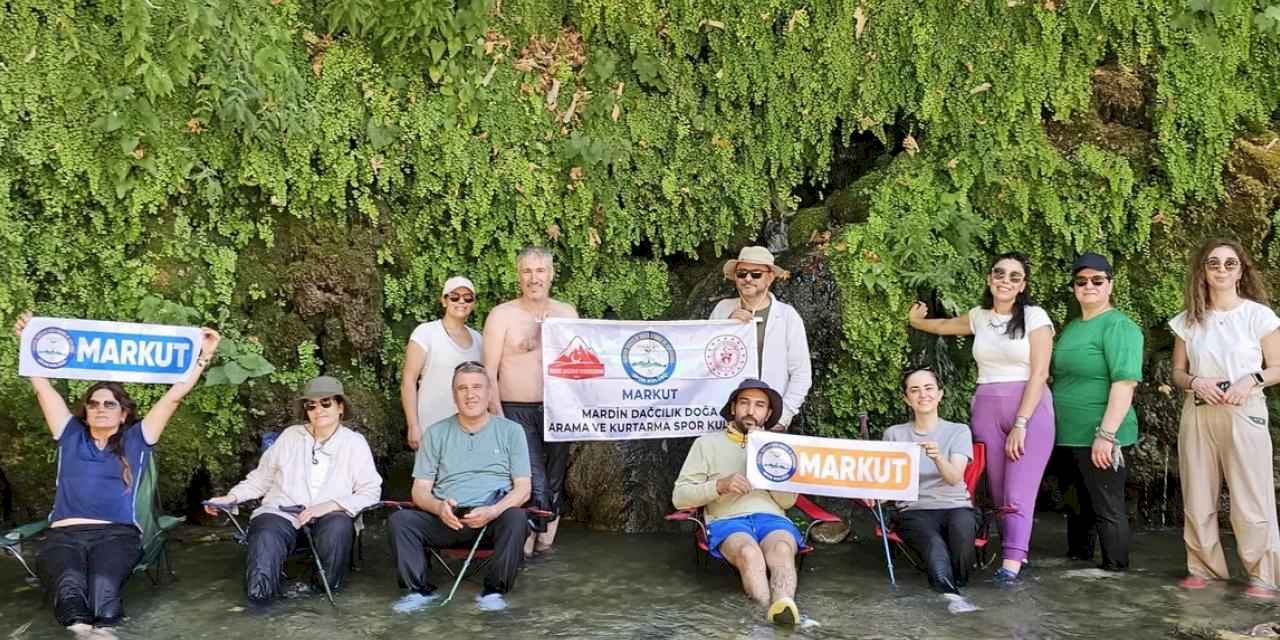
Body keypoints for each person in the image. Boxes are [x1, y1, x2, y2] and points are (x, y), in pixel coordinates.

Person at [14, 312, 220, 638]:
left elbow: (174, 397)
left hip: (116, 535)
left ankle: (104, 631)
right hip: (64, 535)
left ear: (124, 414)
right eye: (94, 404)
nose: (100, 409)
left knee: (103, 590)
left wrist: (203, 357)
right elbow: (42, 388)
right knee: (69, 589)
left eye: (109, 404)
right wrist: (29, 339)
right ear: (86, 412)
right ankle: (83, 632)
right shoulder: (70, 434)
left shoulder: (137, 439)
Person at [907, 252, 1054, 582]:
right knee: (998, 492)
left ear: (1023, 285)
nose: (1006, 281)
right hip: (987, 406)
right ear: (990, 279)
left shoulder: (1035, 317)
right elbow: (944, 326)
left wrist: (1021, 423)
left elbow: (1040, 373)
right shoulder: (979, 316)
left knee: (1018, 492)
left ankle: (1011, 565)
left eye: (1015, 276)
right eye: (1000, 274)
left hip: (1029, 410)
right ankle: (1016, 553)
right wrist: (917, 322)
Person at [204, 376, 382, 605]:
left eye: (326, 403)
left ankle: (320, 599)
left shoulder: (355, 443)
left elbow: (370, 492)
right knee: (265, 532)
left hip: (331, 514)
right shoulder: (290, 436)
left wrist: (330, 506)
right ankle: (259, 604)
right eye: (311, 405)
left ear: (340, 407)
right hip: (283, 510)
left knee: (338, 528)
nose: (318, 410)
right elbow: (261, 479)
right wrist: (231, 497)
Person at [1169, 239, 1280, 599]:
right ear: (1202, 271)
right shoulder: (1188, 320)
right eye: (1213, 263)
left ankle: (1262, 575)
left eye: (1229, 263)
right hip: (1199, 411)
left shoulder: (1258, 316)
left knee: (1252, 497)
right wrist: (1195, 382)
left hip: (1244, 411)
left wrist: (1252, 379)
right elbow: (1177, 373)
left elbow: (1277, 366)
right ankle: (1204, 569)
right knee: (1198, 495)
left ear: (1241, 270)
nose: (1221, 269)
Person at [388, 361, 532, 613]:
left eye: (477, 387)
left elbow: (523, 488)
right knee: (401, 521)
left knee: (517, 518)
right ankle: (417, 592)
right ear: (454, 395)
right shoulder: (435, 433)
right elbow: (419, 490)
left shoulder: (512, 431)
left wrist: (493, 511)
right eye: (462, 388)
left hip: (492, 519)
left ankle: (493, 592)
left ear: (489, 392)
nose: (470, 394)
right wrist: (438, 507)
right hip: (448, 519)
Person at [673, 379, 804, 625]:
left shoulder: (779, 447)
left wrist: (769, 466)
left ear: (768, 414)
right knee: (749, 553)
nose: (750, 411)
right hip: (727, 520)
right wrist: (719, 486)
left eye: (759, 405)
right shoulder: (706, 444)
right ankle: (767, 617)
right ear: (733, 408)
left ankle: (784, 606)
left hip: (772, 519)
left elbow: (787, 502)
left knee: (782, 550)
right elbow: (680, 498)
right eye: (744, 403)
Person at [1050, 253, 1142, 571]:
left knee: (1107, 508)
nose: (1088, 286)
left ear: (1110, 285)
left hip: (1100, 433)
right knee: (1077, 508)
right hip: (1067, 435)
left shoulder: (1120, 326)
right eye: (1081, 281)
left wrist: (1106, 434)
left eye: (1097, 280)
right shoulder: (1073, 327)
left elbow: (1125, 383)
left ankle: (1116, 577)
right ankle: (1079, 577)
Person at [482, 246, 577, 554]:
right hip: (516, 410)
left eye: (540, 271)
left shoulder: (567, 313)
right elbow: (489, 371)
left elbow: (581, 367)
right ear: (518, 275)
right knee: (532, 479)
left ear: (551, 274)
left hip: (558, 411)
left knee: (554, 479)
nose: (534, 278)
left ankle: (544, 551)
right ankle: (522, 549)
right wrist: (496, 415)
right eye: (527, 271)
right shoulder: (502, 315)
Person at [883, 367, 978, 611]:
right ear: (906, 398)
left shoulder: (958, 430)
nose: (923, 394)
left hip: (956, 505)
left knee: (962, 534)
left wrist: (937, 457)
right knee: (934, 545)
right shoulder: (894, 434)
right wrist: (876, 495)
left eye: (928, 388)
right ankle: (952, 598)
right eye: (915, 390)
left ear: (940, 394)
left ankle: (957, 589)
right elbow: (888, 482)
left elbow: (954, 478)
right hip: (915, 509)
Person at [709, 246, 812, 431]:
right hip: (725, 419)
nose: (748, 279)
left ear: (770, 277)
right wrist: (727, 326)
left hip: (769, 421)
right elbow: (705, 361)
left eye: (756, 274)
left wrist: (782, 417)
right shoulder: (722, 309)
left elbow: (801, 373)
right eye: (742, 274)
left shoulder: (787, 316)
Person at [401, 275, 483, 451]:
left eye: (468, 298)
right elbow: (408, 380)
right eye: (454, 297)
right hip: (431, 424)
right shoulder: (425, 333)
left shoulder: (479, 339)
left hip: (470, 429)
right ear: (444, 301)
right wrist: (413, 425)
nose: (461, 302)